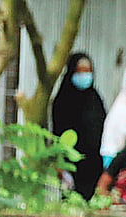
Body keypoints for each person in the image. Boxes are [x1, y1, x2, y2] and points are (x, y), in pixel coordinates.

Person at [51, 52, 106, 201]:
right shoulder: (63, 100)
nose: (84, 75)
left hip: (94, 166)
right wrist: (60, 166)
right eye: (80, 71)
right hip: (71, 166)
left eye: (88, 71)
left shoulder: (95, 100)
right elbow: (57, 134)